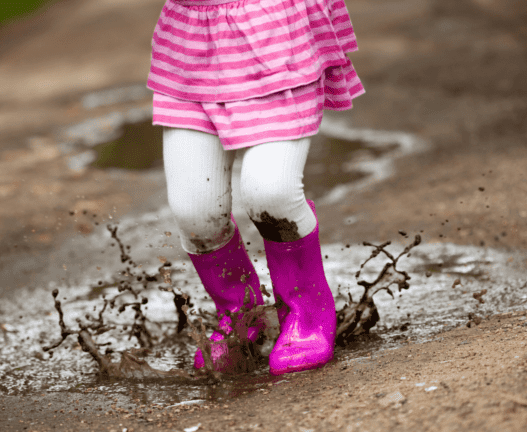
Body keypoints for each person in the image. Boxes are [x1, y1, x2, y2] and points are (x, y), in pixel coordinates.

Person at [147, 0, 364, 375]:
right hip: (191, 45)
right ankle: (241, 315)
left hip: (274, 33)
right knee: (195, 213)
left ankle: (306, 312)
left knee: (271, 193)